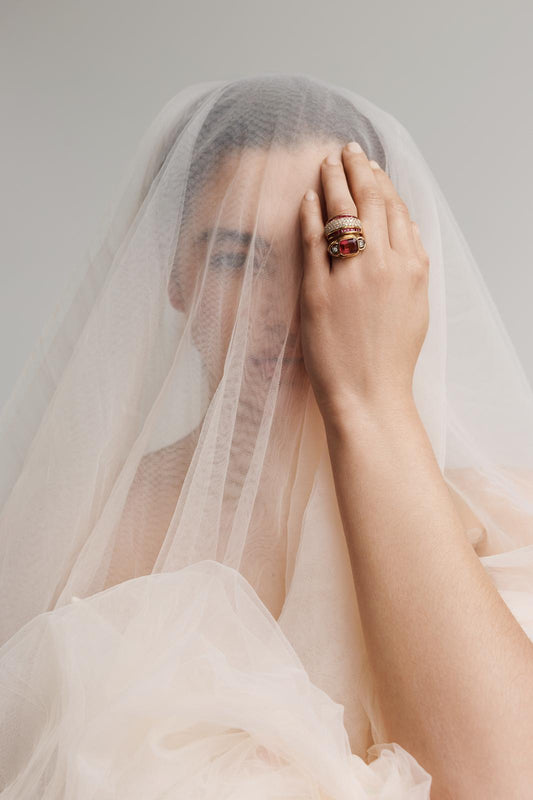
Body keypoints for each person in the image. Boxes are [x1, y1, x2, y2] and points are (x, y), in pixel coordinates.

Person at [1, 72, 533, 798]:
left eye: (334, 252)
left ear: (398, 271)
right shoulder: (70, 540)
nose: (283, 306)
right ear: (174, 277)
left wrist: (370, 400)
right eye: (234, 259)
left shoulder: (507, 526)